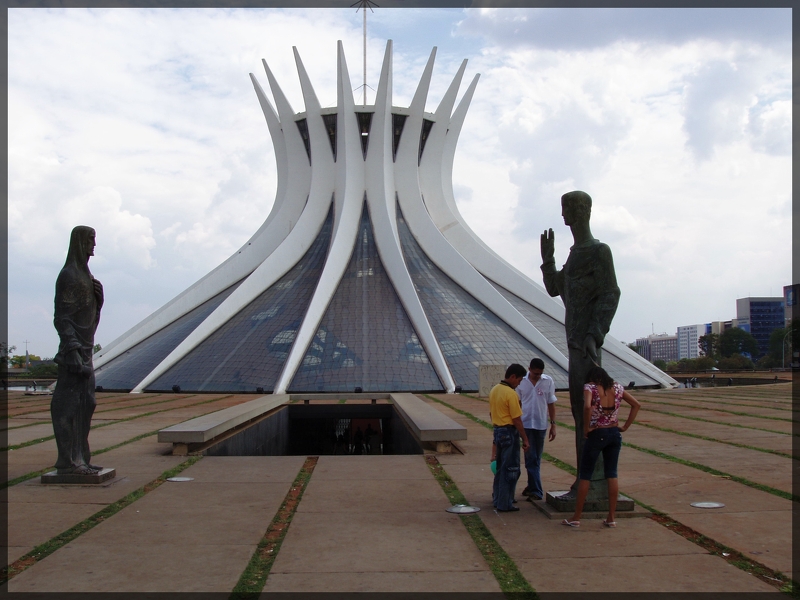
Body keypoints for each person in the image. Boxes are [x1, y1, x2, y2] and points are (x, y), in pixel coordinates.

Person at [541, 190, 620, 496]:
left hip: (586, 344)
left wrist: (595, 333)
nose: (563, 216)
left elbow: (610, 293)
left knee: (589, 410)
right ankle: (586, 480)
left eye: (568, 209)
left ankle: (593, 481)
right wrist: (548, 260)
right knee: (578, 410)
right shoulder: (574, 255)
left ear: (583, 211)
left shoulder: (599, 251)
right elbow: (553, 289)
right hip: (575, 342)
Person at [51, 226, 104, 475]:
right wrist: (71, 349)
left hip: (86, 349)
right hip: (73, 353)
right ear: (80, 242)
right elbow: (62, 318)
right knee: (69, 405)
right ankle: (68, 461)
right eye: (91, 239)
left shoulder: (87, 278)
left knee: (88, 403)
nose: (94, 244)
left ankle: (81, 456)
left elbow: (90, 321)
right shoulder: (69, 276)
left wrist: (99, 303)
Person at [562, 366, 640, 528]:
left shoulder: (590, 387)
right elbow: (636, 404)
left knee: (586, 474)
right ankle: (611, 517)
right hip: (614, 433)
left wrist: (586, 428)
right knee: (611, 473)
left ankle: (576, 517)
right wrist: (625, 426)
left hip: (597, 433)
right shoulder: (618, 387)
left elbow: (587, 406)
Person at [489, 364, 530, 512]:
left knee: (500, 468)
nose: (518, 383)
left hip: (498, 431)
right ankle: (505, 503)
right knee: (510, 468)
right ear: (512, 376)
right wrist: (525, 438)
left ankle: (498, 498)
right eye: (518, 380)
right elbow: (517, 419)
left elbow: (491, 413)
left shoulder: (495, 390)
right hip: (509, 431)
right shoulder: (511, 394)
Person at [517, 358, 557, 501]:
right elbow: (518, 402)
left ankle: (532, 486)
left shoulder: (548, 381)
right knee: (530, 458)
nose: (537, 376)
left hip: (540, 425)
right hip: (526, 424)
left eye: (540, 374)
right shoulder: (522, 381)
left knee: (536, 458)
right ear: (529, 369)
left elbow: (551, 403)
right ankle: (536, 490)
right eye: (535, 374)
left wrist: (553, 424)